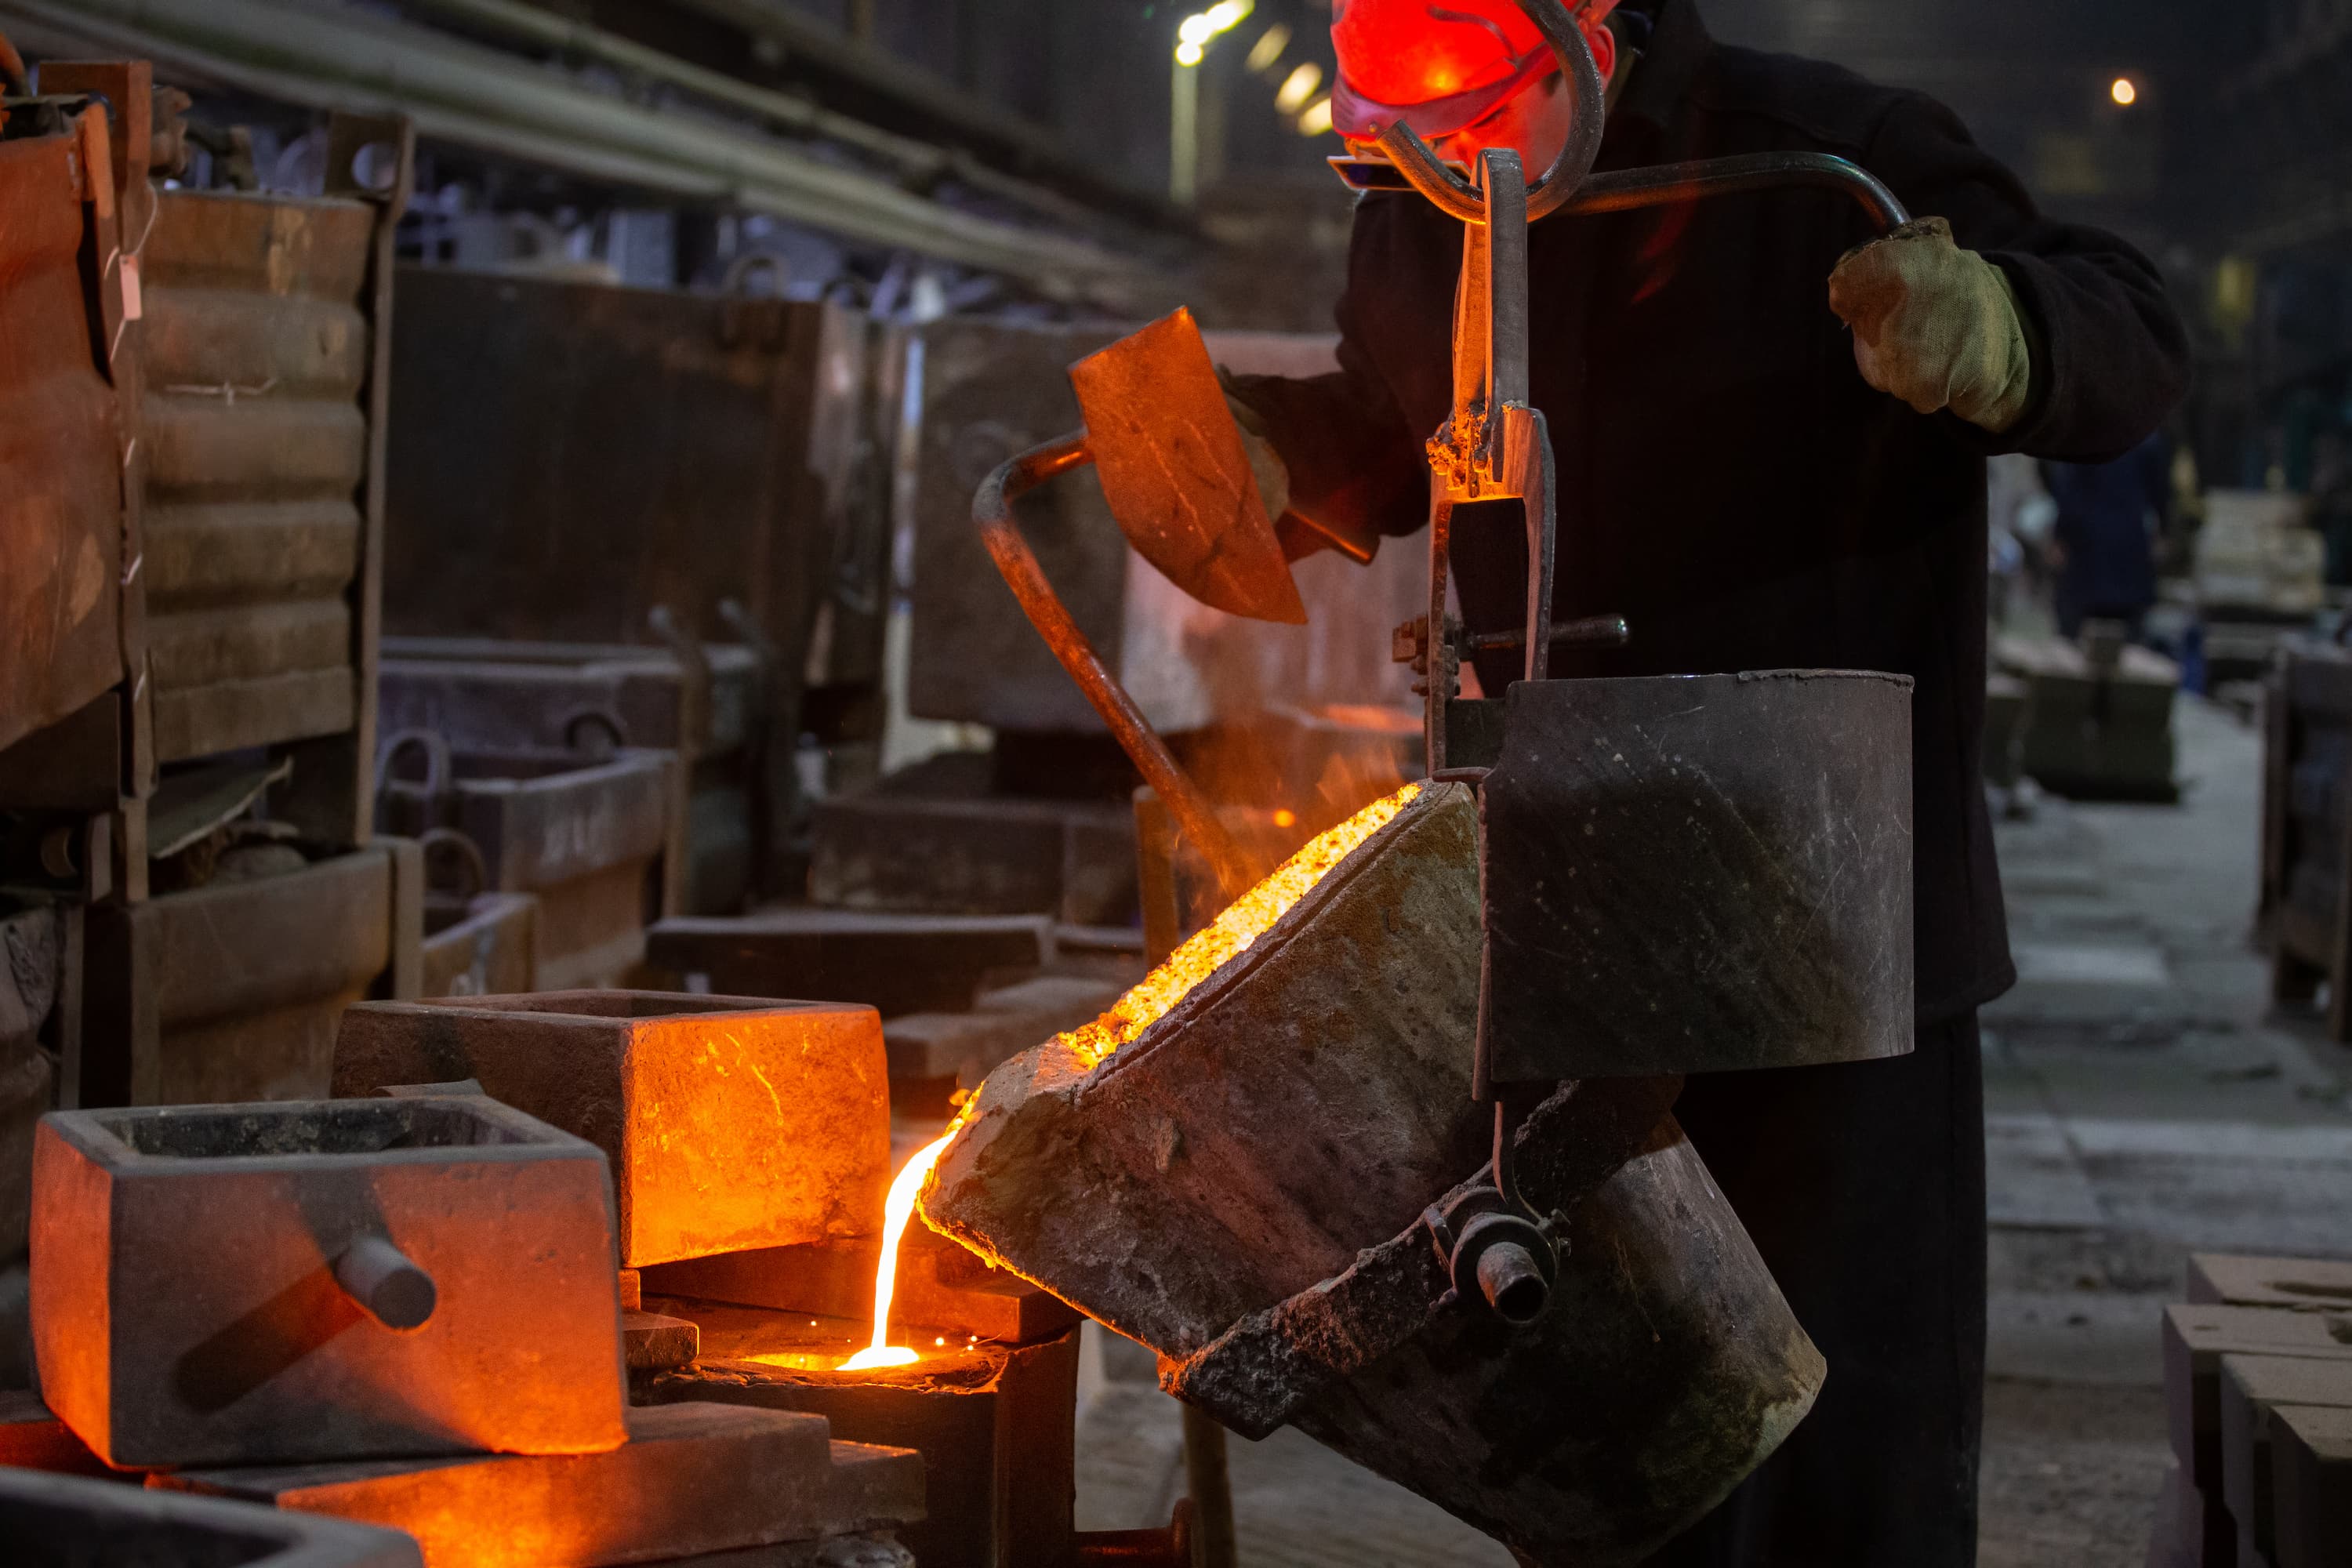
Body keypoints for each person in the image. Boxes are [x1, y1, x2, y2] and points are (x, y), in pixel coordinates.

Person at [1221, 2, 2188, 1563]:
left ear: (1586, 37)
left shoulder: (1826, 163)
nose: (1446, 161)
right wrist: (1276, 456)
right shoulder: (1421, 207)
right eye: (1410, 132)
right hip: (1563, 917)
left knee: (1830, 1445)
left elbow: (2134, 332)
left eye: (1478, 120)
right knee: (1611, 1441)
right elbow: (1395, 423)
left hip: (1833, 928)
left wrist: (2002, 331)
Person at [2045, 431, 2172, 640]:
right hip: (2129, 550)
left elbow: (2068, 490)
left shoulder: (2085, 436)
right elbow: (2161, 494)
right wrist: (2163, 532)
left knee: (2078, 642)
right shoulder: (2146, 439)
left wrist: (2060, 536)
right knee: (2129, 642)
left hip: (2088, 555)